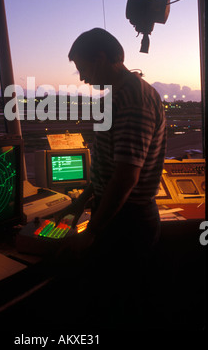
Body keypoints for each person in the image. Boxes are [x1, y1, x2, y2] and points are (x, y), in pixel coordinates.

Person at [55, 27, 167, 266]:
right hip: (117, 216)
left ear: (101, 59)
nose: (83, 78)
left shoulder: (133, 97)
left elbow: (126, 177)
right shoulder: (117, 96)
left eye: (82, 68)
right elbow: (107, 168)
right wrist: (81, 201)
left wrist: (92, 232)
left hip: (127, 223)